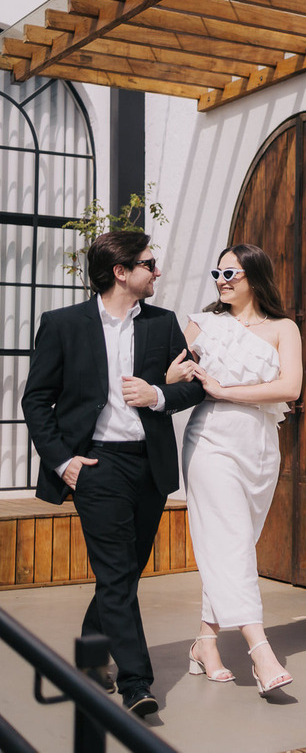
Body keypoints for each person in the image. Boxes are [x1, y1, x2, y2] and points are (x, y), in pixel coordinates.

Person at [22, 231, 206, 717]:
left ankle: (88, 650)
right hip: (95, 465)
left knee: (123, 574)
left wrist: (158, 395)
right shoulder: (63, 324)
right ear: (120, 272)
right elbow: (36, 399)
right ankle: (136, 682)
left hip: (148, 465)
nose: (157, 271)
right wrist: (64, 461)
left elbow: (194, 389)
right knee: (116, 573)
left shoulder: (164, 325)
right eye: (148, 263)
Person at [167, 243, 302, 696]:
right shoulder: (202, 325)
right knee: (231, 543)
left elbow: (291, 386)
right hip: (211, 443)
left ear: (255, 278)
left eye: (232, 274)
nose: (222, 281)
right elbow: (169, 376)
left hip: (261, 446)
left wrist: (226, 390)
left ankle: (206, 641)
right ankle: (261, 652)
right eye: (218, 274)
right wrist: (182, 380)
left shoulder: (284, 328)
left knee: (234, 545)